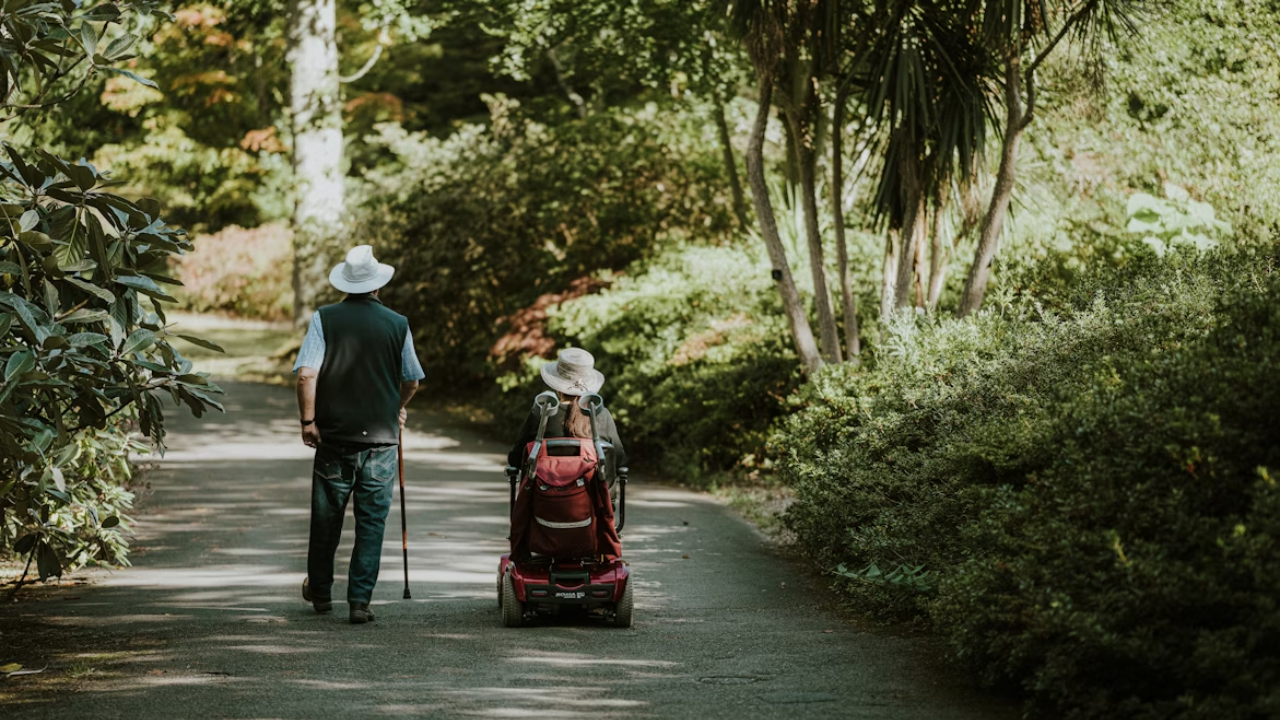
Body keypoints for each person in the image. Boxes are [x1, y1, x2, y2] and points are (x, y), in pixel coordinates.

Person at [294, 244, 423, 624]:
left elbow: (306, 373)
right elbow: (412, 379)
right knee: (371, 523)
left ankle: (320, 593)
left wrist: (308, 421)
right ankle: (359, 602)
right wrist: (395, 407)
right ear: (378, 285)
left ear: (346, 284)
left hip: (334, 439)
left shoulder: (325, 318)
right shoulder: (398, 323)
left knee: (326, 520)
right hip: (381, 442)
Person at [507, 348, 627, 496]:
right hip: (593, 498)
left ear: (558, 387)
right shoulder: (602, 415)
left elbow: (516, 458)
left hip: (543, 498)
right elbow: (619, 460)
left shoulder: (540, 414)